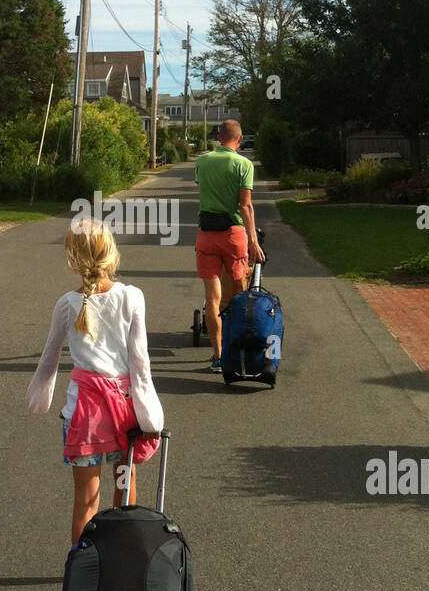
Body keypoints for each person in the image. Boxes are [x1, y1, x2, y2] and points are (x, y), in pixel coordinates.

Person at [26, 216, 164, 547]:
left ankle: (81, 567)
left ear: (72, 258)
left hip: (82, 416)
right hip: (122, 415)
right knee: (124, 491)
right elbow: (139, 363)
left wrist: (38, 397)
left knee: (86, 503)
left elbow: (49, 359)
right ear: (110, 251)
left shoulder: (67, 304)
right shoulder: (132, 297)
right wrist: (150, 417)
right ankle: (122, 563)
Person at [195, 119, 266, 372]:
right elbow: (245, 206)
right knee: (238, 299)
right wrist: (254, 243)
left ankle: (217, 356)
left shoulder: (201, 162)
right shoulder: (243, 164)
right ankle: (235, 355)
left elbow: (203, 189)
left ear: (218, 137)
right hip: (233, 235)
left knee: (212, 299)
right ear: (239, 140)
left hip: (206, 234)